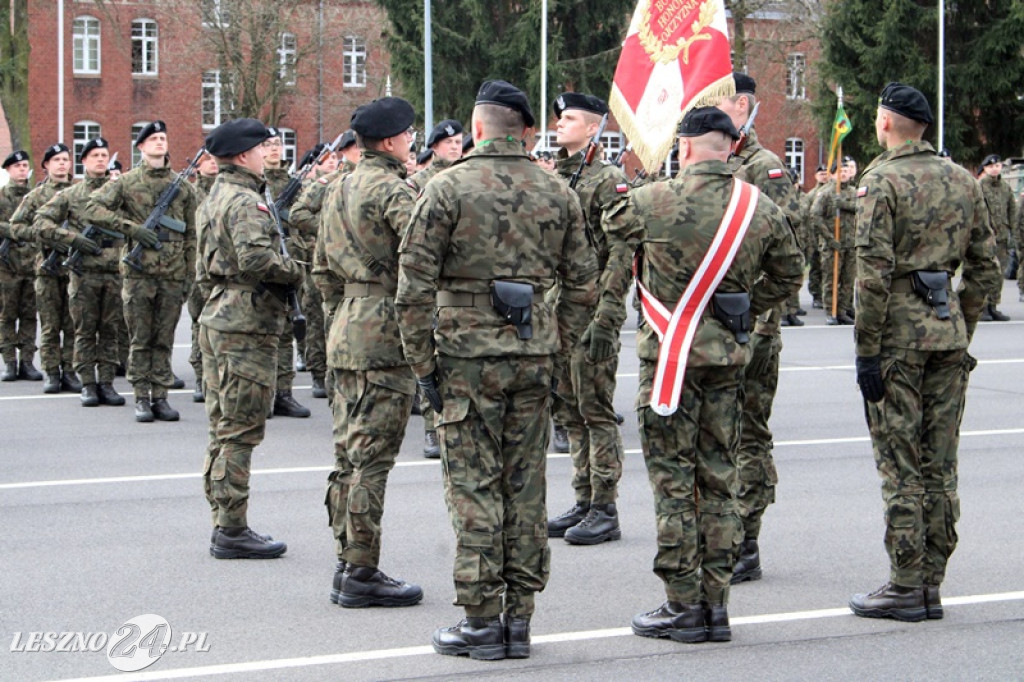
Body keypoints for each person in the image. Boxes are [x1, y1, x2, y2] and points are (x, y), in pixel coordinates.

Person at [396, 79, 598, 660]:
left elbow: (412, 291)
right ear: (525, 130)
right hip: (532, 356)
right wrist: (558, 347)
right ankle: (520, 621)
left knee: (474, 486)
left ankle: (483, 620)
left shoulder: (445, 188)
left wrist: (423, 366)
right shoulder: (558, 190)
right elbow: (586, 283)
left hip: (464, 360)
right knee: (525, 484)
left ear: (477, 129)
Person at [601, 106, 802, 643]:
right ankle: (716, 605)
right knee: (718, 480)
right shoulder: (758, 207)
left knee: (673, 484)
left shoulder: (651, 200)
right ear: (731, 147)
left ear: (685, 147)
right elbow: (791, 272)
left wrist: (643, 175)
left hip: (669, 360)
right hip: (727, 362)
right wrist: (742, 310)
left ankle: (681, 604)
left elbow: (609, 221)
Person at [849, 83, 1000, 621]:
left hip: (897, 338)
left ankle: (905, 584)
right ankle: (931, 583)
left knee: (900, 465)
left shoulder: (880, 181)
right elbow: (985, 267)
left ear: (886, 124)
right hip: (947, 332)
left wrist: (866, 351)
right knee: (941, 464)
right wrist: (962, 324)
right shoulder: (964, 181)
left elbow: (873, 274)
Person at [320, 97, 423, 609]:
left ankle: (347, 562)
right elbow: (425, 259)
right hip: (384, 336)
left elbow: (321, 270)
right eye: (407, 134)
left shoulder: (338, 187)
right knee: (370, 462)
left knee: (347, 457)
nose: (412, 141)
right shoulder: (394, 191)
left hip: (346, 327)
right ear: (389, 142)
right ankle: (361, 570)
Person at [197, 118, 302, 559]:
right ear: (243, 155)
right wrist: (297, 270)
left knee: (222, 427)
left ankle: (224, 518)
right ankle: (232, 529)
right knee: (240, 430)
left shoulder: (214, 195)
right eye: (263, 148)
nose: (268, 154)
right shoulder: (244, 201)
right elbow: (257, 259)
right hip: (245, 323)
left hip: (221, 314)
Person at [717, 72, 805, 584]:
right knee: (719, 434)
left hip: (754, 327)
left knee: (748, 434)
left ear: (742, 105)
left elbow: (790, 251)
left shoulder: (764, 168)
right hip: (716, 326)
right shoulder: (716, 161)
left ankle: (746, 539)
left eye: (718, 102)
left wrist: (755, 308)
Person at [545, 92, 629, 545]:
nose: (560, 123)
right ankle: (582, 498)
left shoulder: (609, 179)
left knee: (595, 409)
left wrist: (608, 314)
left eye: (571, 118)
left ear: (594, 127)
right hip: (559, 308)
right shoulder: (561, 172)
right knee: (569, 409)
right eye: (561, 117)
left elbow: (621, 252)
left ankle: (605, 507)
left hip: (591, 308)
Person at [83, 120, 199, 422]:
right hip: (138, 274)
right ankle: (141, 398)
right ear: (141, 147)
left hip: (172, 274)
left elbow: (191, 235)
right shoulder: (126, 182)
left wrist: (189, 274)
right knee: (139, 338)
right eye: (153, 139)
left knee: (164, 339)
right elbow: (91, 208)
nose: (160, 142)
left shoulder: (183, 186)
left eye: (163, 137)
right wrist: (131, 230)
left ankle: (161, 396)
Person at [32, 137, 125, 406]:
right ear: (84, 162)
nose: (100, 159)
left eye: (103, 155)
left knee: (110, 331)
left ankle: (106, 383)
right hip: (84, 274)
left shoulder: (119, 191)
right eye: (94, 155)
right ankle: (87, 383)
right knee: (83, 331)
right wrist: (70, 238)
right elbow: (41, 222)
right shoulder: (71, 195)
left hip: (113, 272)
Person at [8, 143, 77, 394]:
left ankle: (69, 371)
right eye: (56, 160)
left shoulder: (78, 193)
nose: (62, 164)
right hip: (46, 269)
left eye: (65, 159)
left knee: (71, 326)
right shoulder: (36, 196)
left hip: (73, 270)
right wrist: (44, 237)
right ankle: (51, 372)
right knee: (49, 325)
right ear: (46, 165)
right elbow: (16, 226)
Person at [290, 133, 354, 401]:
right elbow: (298, 214)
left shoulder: (383, 182)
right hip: (330, 266)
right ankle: (322, 375)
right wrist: (331, 230)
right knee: (323, 323)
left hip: (362, 270)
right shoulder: (331, 182)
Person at [261, 126, 310, 418]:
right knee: (266, 330)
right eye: (267, 145)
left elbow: (305, 218)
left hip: (291, 259)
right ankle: (266, 392)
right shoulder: (257, 184)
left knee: (288, 328)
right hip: (267, 260)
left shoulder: (295, 184)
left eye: (277, 144)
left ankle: (284, 392)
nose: (274, 149)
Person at [0, 150, 43, 382]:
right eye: (17, 166)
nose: (22, 170)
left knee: (29, 315)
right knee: (6, 315)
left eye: (25, 165)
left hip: (31, 264)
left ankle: (27, 361)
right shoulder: (1, 197)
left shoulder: (35, 197)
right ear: (8, 170)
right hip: (7, 267)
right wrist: (13, 231)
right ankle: (9, 361)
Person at [187, 151, 219, 403]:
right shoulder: (190, 193)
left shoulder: (223, 191)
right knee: (199, 322)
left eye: (215, 159)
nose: (213, 163)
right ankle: (200, 377)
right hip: (197, 265)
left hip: (220, 265)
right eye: (207, 159)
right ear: (197, 166)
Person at [811, 157, 857, 325]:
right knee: (831, 279)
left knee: (848, 280)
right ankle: (831, 311)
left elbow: (861, 208)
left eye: (845, 171)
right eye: (840, 172)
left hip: (850, 243)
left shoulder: (853, 192)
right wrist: (830, 239)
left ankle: (844, 310)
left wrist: (844, 204)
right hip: (832, 245)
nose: (843, 174)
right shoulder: (825, 192)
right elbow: (816, 216)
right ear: (833, 174)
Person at [977, 154, 1015, 321]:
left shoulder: (1005, 187)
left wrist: (1013, 233)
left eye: (997, 165)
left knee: (998, 274)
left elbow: (1012, 211)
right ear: (984, 168)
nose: (994, 168)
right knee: (985, 272)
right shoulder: (979, 186)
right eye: (991, 166)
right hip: (985, 238)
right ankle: (983, 307)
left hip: (1002, 238)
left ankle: (993, 305)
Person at [801, 164, 829, 309]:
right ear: (816, 176)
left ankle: (827, 295)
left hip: (828, 237)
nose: (824, 176)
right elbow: (809, 217)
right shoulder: (812, 195)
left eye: (826, 173)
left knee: (828, 269)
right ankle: (816, 295)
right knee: (816, 267)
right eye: (821, 174)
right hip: (814, 237)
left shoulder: (831, 191)